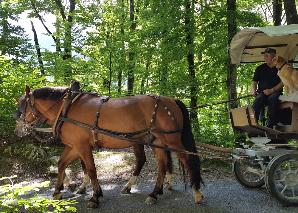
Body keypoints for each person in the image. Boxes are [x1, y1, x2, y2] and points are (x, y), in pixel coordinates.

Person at [251, 47, 283, 128]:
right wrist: (253, 90)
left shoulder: (280, 68)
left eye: (267, 56)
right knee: (259, 99)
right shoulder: (260, 68)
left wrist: (272, 90)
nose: (264, 58)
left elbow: (283, 82)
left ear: (274, 57)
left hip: (275, 93)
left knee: (273, 98)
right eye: (264, 56)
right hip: (262, 93)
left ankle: (271, 125)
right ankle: (253, 124)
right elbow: (254, 81)